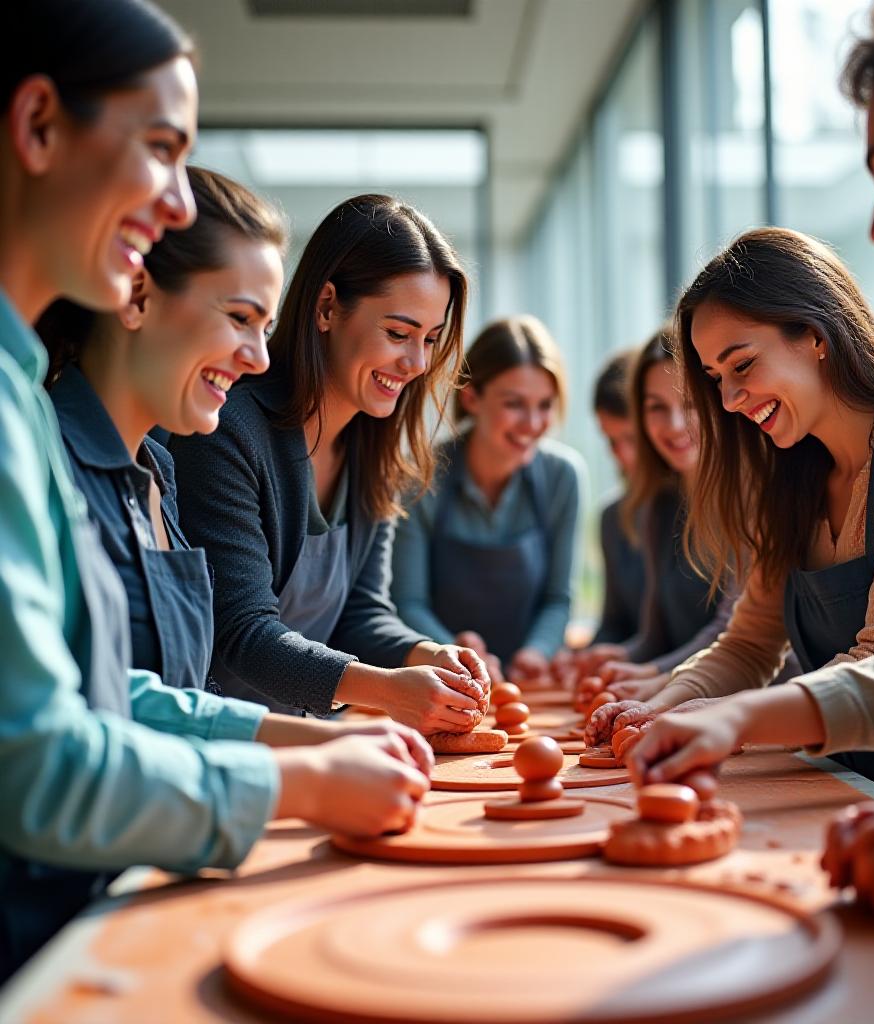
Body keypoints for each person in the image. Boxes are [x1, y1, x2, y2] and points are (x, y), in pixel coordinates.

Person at [0, 0, 431, 980]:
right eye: (159, 148)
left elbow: (117, 695)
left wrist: (316, 748)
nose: (174, 203)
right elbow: (41, 764)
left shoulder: (123, 452)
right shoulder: (53, 429)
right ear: (36, 127)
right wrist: (301, 778)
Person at [590, 226, 874, 793]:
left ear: (813, 334)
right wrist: (658, 704)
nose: (728, 401)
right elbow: (751, 641)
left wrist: (728, 719)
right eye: (716, 378)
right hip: (836, 782)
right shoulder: (792, 471)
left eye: (743, 365)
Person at [170, 194, 489, 726]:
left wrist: (429, 655)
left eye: (431, 339)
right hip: (228, 745)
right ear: (326, 307)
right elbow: (243, 632)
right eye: (397, 333)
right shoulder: (229, 430)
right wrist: (387, 689)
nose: (415, 363)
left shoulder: (378, 449)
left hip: (314, 739)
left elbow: (360, 614)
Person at [36, 166, 284, 693]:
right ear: (139, 296)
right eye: (240, 318)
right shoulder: (44, 464)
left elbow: (171, 701)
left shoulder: (159, 469)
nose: (260, 359)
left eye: (267, 329)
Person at [390, 315, 585, 686]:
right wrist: (453, 654)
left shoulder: (564, 477)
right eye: (515, 404)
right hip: (440, 680)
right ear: (472, 397)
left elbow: (559, 598)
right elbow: (407, 603)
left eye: (545, 405)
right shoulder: (418, 478)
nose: (533, 423)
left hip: (528, 685)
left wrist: (538, 651)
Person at [574, 330, 738, 707]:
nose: (674, 424)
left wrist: (654, 675)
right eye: (656, 408)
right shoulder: (656, 508)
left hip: (725, 703)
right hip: (686, 702)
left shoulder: (752, 497)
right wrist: (621, 660)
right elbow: (653, 635)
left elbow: (733, 632)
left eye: (690, 404)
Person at [586, 348, 646, 648]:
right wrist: (589, 656)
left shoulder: (707, 510)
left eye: (632, 439)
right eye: (611, 441)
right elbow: (613, 624)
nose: (622, 455)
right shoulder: (613, 518)